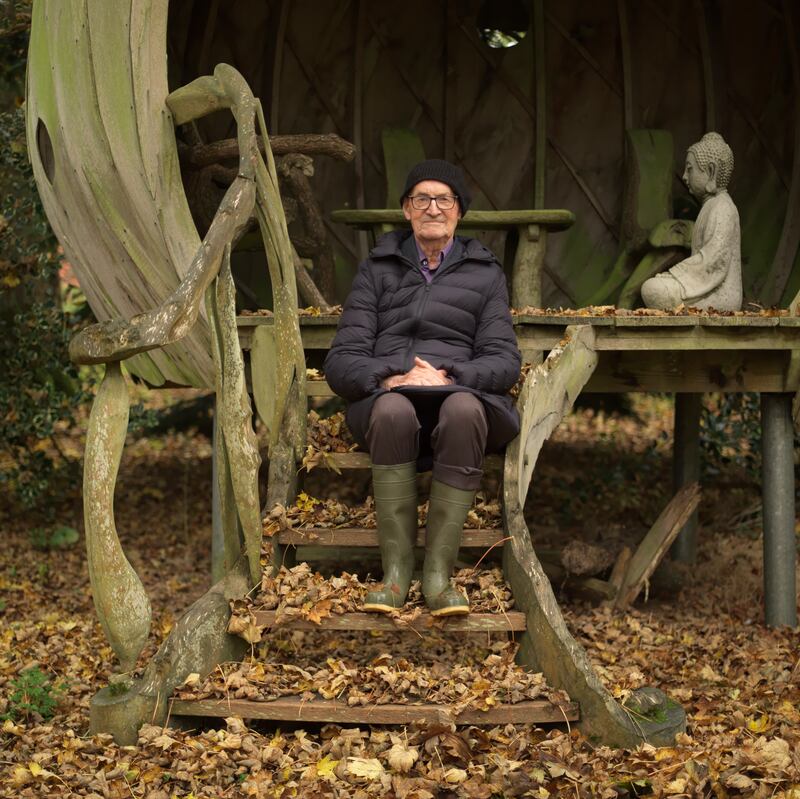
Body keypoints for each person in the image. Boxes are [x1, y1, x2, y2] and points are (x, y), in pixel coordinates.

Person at [324, 159, 521, 616]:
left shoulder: (485, 274)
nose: (433, 208)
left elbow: (504, 360)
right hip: (388, 401)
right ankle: (395, 575)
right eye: (421, 199)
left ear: (459, 212)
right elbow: (342, 359)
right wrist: (394, 375)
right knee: (393, 411)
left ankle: (438, 576)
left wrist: (449, 375)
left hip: (461, 402)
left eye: (443, 199)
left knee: (463, 411)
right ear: (407, 211)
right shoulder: (377, 270)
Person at [641, 131, 741, 311]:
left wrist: (676, 275)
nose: (685, 177)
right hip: (704, 286)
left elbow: (713, 261)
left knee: (653, 290)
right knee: (653, 287)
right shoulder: (710, 206)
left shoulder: (723, 208)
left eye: (690, 169)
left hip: (721, 295)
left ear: (711, 171)